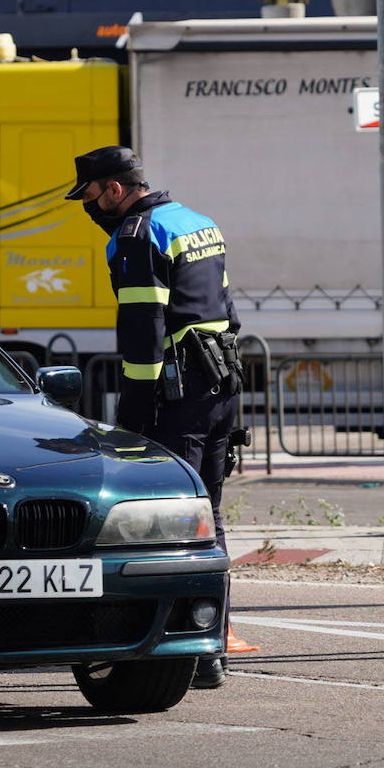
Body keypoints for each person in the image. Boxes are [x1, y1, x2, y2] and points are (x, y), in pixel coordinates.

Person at [66, 145, 243, 688]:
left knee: (172, 523)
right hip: (220, 385)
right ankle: (212, 646)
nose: (89, 207)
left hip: (177, 395)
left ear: (115, 189)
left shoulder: (138, 235)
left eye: (91, 196)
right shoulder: (197, 221)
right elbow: (228, 311)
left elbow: (144, 335)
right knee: (208, 515)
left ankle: (192, 651)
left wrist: (134, 420)